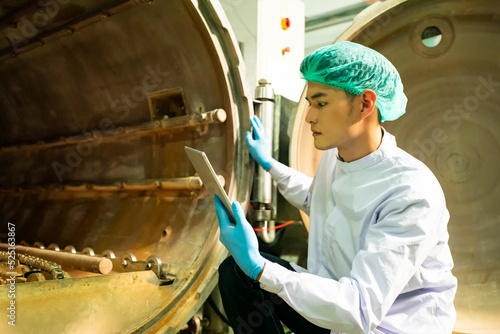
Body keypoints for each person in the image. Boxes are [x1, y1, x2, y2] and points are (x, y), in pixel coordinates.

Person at [214, 41, 457, 334]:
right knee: (236, 273)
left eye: (321, 103)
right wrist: (269, 165)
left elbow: (361, 310)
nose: (309, 116)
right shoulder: (336, 154)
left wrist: (260, 267)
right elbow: (319, 199)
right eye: (309, 103)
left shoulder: (410, 192)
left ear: (365, 104)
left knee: (255, 272)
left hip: (380, 325)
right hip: (334, 306)